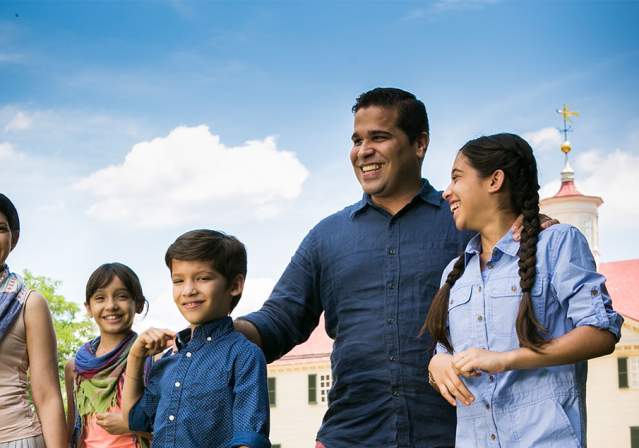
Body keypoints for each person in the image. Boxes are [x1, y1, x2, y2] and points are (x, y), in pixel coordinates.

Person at [235, 88, 475, 447]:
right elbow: (281, 319)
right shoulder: (326, 236)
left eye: (379, 137)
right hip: (351, 436)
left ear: (419, 143)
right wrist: (223, 332)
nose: (364, 151)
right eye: (357, 140)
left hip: (451, 434)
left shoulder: (465, 225)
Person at [423, 133, 622, 447]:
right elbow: (446, 352)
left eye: (457, 178)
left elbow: (601, 333)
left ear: (494, 180)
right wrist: (437, 365)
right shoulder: (454, 273)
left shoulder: (556, 243)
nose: (447, 192)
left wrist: (505, 359)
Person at [122, 229, 270, 448]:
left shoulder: (244, 355)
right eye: (178, 280)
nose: (188, 290)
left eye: (202, 278)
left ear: (235, 285)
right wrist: (135, 356)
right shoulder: (167, 361)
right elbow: (135, 420)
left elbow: (248, 438)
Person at [0, 193, 67, 448]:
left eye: (0, 229)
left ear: (13, 239)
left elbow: (47, 394)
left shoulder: (29, 304)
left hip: (16, 439)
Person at [64, 263, 151, 448]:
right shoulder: (75, 367)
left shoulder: (151, 360)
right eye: (100, 298)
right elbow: (73, 431)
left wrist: (130, 426)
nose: (111, 306)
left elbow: (169, 429)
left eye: (122, 296)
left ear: (139, 304)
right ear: (88, 308)